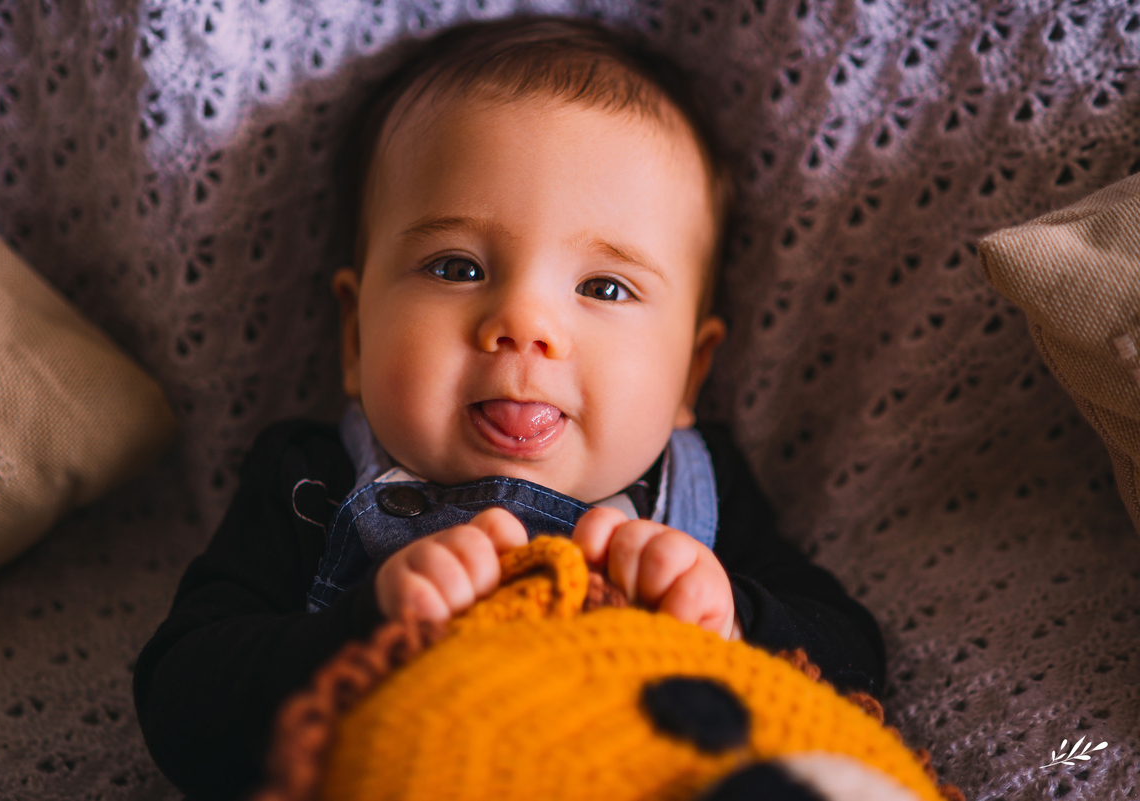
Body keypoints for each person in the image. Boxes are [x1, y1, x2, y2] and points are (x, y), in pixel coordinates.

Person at [134, 15, 885, 801]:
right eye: (456, 266)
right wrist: (364, 626)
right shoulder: (309, 485)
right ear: (355, 336)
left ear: (689, 377)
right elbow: (181, 699)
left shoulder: (704, 493)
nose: (524, 324)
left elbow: (856, 656)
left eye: (604, 287)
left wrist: (736, 622)